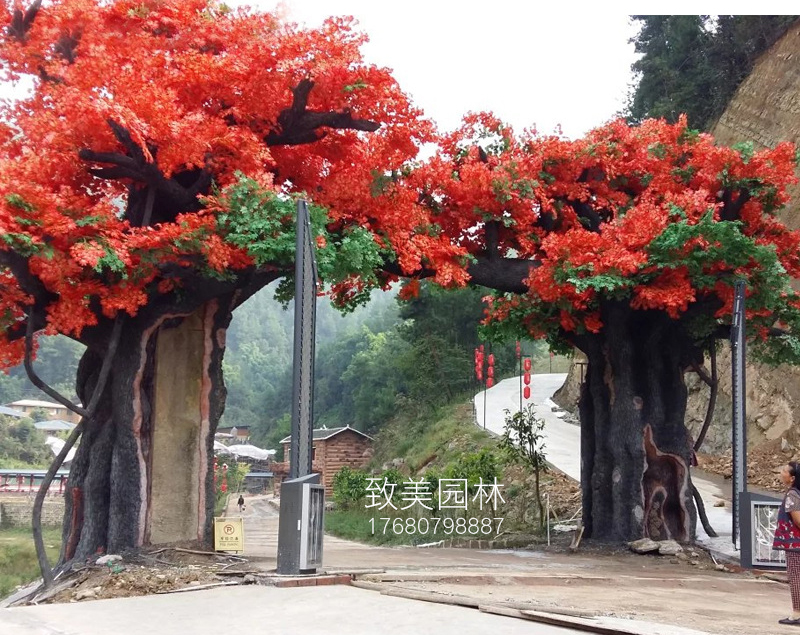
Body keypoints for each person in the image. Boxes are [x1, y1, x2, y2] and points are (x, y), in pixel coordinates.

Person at [773, 462, 800, 626]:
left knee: (796, 577)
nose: (780, 472)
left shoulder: (792, 496)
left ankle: (797, 613)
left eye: (784, 470)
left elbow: (798, 520)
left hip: (795, 544)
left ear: (792, 478)